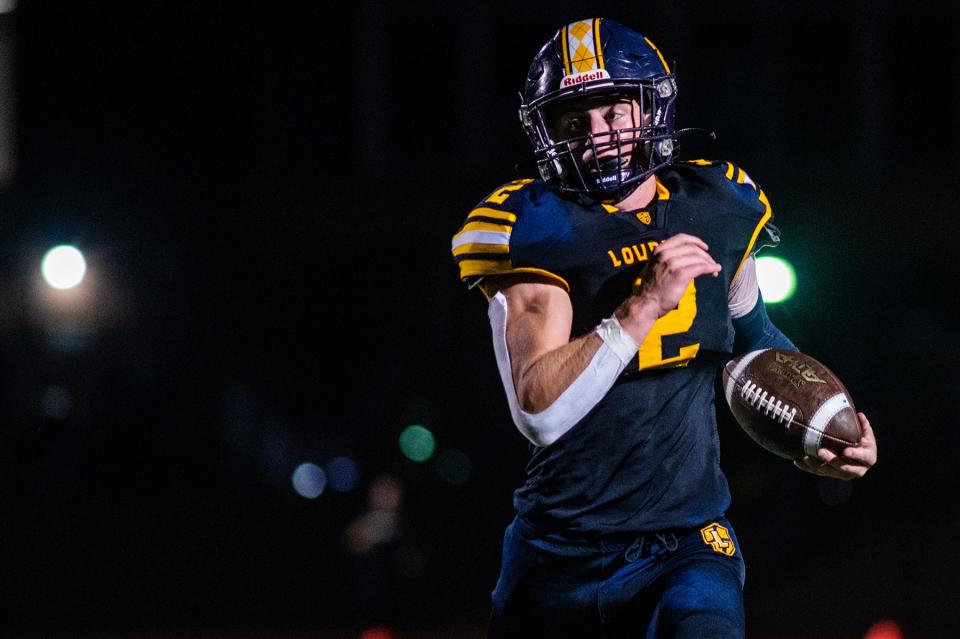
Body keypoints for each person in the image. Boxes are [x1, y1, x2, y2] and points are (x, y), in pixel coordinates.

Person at [449, 17, 878, 639]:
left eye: (613, 112)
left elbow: (753, 340)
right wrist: (642, 303)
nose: (598, 136)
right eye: (575, 122)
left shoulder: (719, 202)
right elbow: (538, 412)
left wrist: (822, 427)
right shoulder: (537, 226)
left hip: (687, 539)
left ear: (651, 107)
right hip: (559, 550)